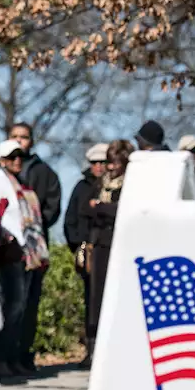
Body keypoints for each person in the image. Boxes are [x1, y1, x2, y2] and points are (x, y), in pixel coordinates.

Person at [0, 139, 50, 378]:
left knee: (21, 308)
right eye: (12, 157)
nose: (17, 161)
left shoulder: (20, 182)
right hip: (8, 253)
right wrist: (5, 238)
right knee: (11, 305)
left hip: (27, 253)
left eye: (20, 156)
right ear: (1, 160)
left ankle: (12, 357)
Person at [6, 122, 61, 375]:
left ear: (32, 141)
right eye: (15, 137)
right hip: (7, 248)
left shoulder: (45, 173)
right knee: (10, 302)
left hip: (35, 249)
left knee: (29, 303)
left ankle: (24, 355)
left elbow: (52, 207)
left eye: (24, 137)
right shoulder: (0, 172)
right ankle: (3, 356)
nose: (19, 141)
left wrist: (33, 221)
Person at [83, 139, 132, 365]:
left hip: (121, 244)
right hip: (100, 243)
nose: (111, 167)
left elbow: (125, 209)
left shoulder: (131, 182)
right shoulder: (100, 183)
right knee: (96, 297)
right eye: (109, 162)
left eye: (115, 162)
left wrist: (101, 208)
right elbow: (85, 209)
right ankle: (95, 347)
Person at [64, 144, 106, 369]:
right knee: (91, 301)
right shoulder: (81, 188)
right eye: (95, 163)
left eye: (103, 162)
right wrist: (78, 246)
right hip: (87, 253)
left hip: (107, 251)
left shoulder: (113, 186)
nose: (99, 167)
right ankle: (91, 349)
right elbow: (70, 219)